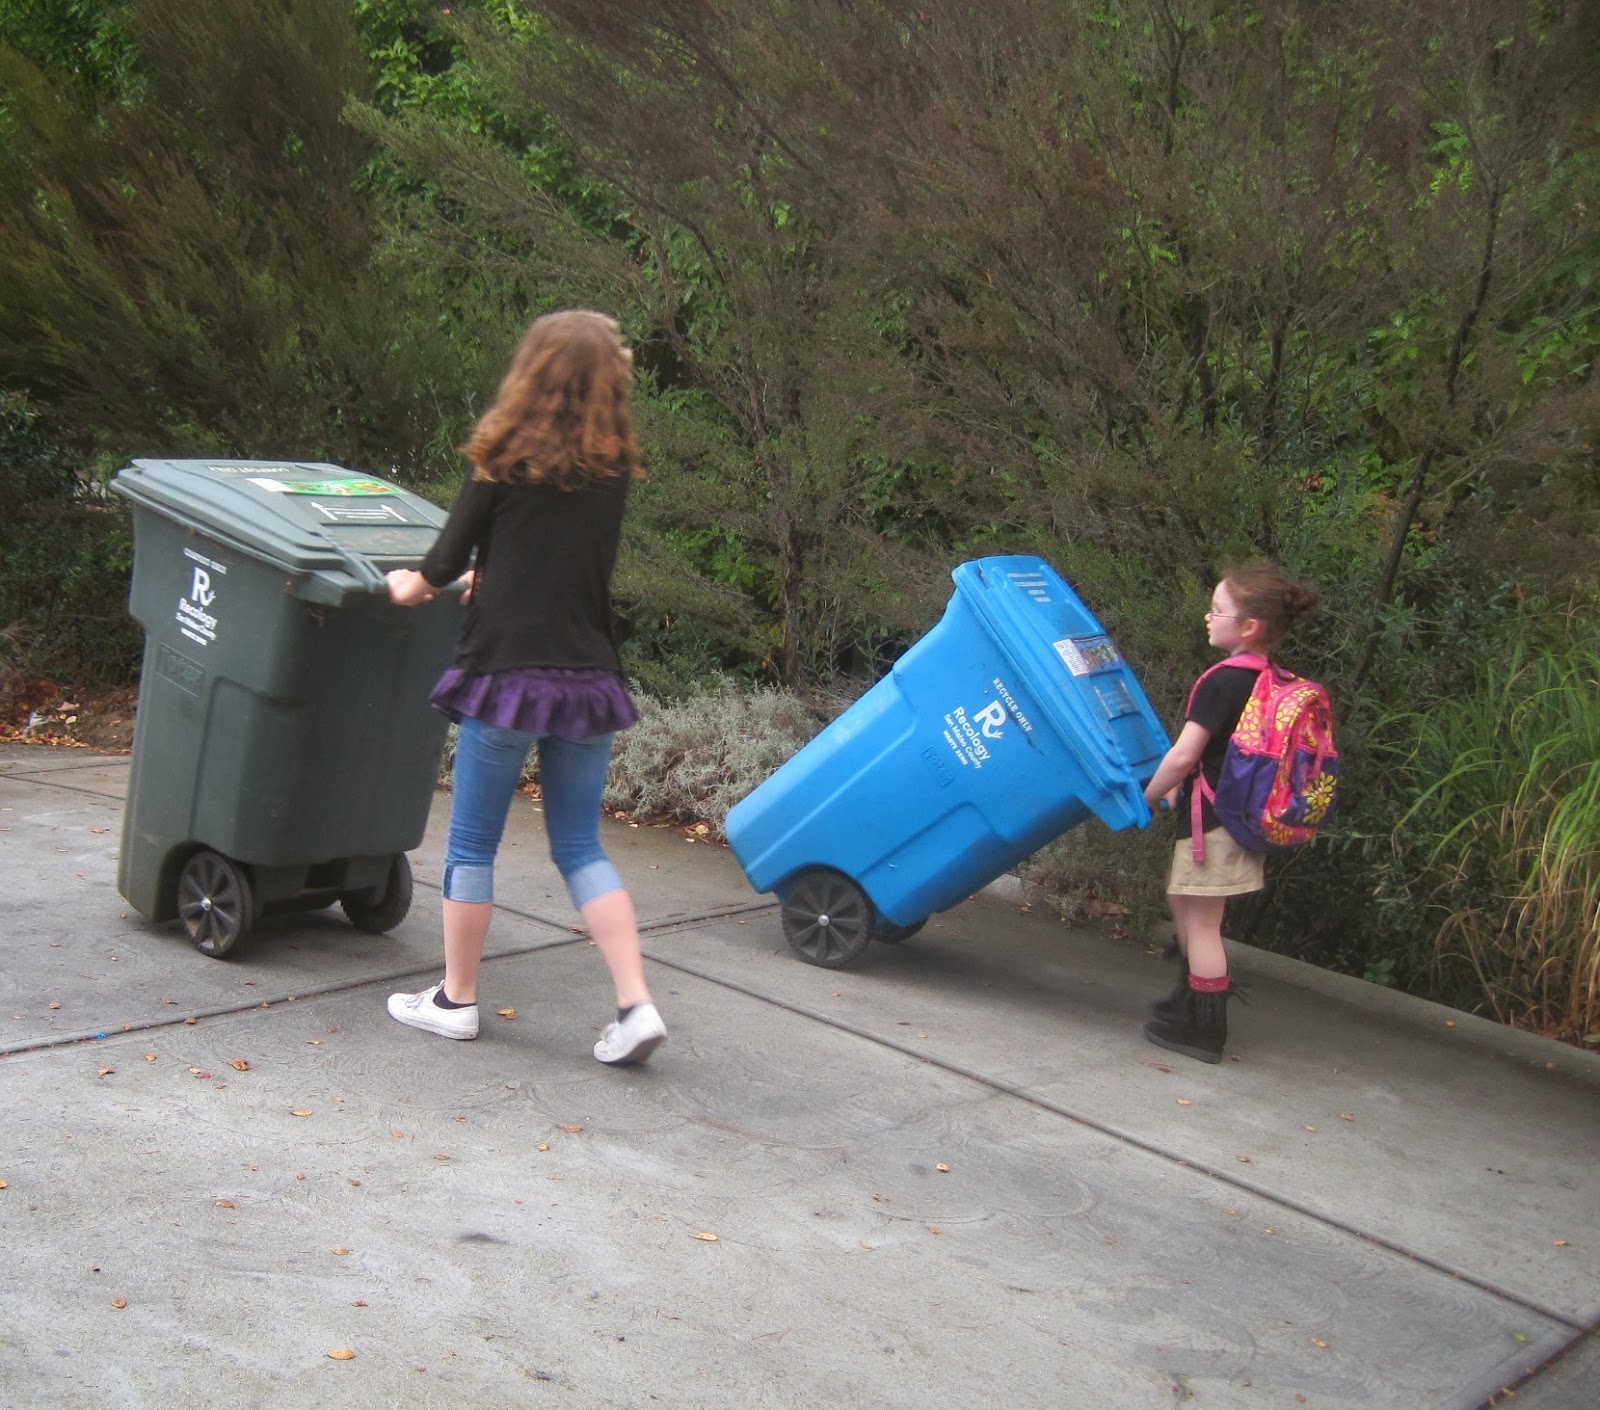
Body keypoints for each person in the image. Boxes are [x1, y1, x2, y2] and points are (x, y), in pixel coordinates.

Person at [383, 310, 666, 1065]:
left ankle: (456, 1000)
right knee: (579, 844)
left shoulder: (501, 458)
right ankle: (635, 1005)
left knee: (474, 841)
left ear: (532, 371)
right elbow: (558, 563)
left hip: (508, 677)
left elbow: (440, 562)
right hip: (585, 678)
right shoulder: (612, 475)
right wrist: (494, 575)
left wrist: (410, 585)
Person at [1138, 564, 1320, 1064]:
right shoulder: (1268, 679)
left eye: (1219, 610)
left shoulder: (1224, 682)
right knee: (1184, 904)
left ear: (1249, 628)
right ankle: (1187, 1003)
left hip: (1215, 825)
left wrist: (1150, 795)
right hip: (1227, 817)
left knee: (1201, 925)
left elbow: (1183, 755)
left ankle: (1204, 1031)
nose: (1208, 616)